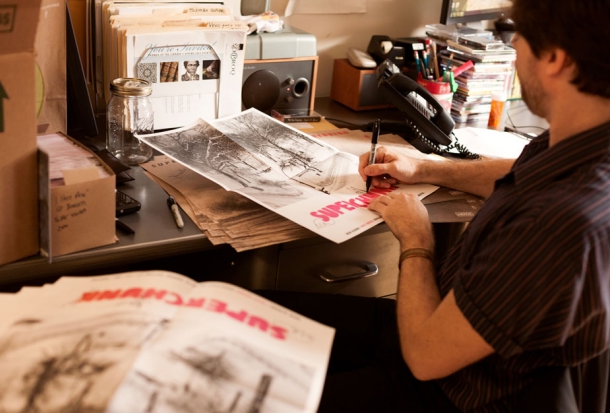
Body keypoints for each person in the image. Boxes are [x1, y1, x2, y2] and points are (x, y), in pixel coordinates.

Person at [259, 0, 610, 411]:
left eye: (521, 38)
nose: (514, 48)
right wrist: (426, 168)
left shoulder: (557, 224)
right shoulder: (582, 142)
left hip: (445, 388)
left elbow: (426, 358)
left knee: (246, 388)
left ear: (555, 60)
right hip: (441, 325)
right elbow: (518, 169)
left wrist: (416, 237)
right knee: (244, 312)